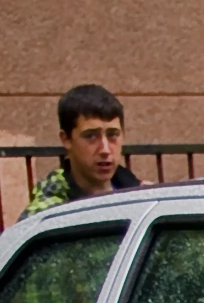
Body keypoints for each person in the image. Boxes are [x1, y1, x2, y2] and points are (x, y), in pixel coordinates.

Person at [23, 84, 141, 214]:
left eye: (112, 135)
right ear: (66, 139)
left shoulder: (141, 196)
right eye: (90, 136)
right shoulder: (48, 215)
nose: (105, 150)